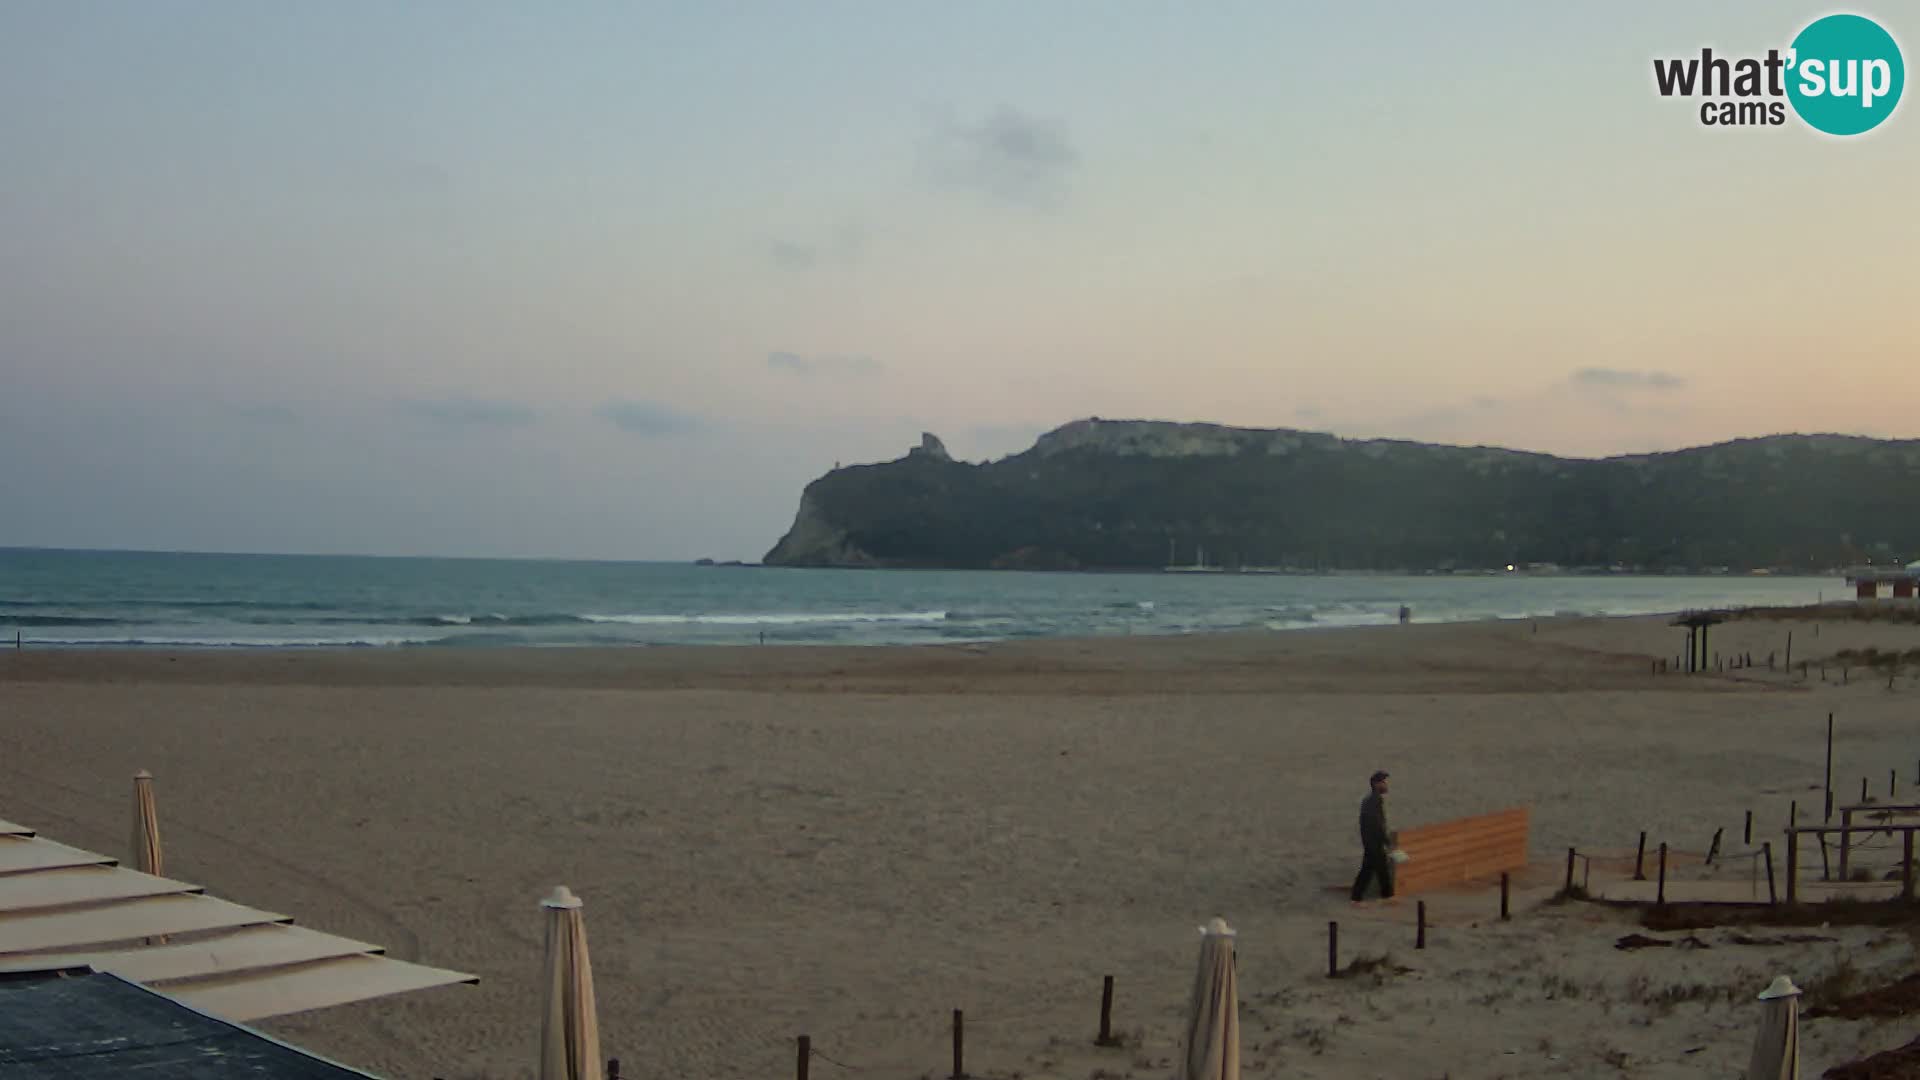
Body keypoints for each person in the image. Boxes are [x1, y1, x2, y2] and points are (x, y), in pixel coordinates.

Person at [1351, 770, 1396, 903]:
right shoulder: (1374, 801)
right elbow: (1376, 824)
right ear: (1376, 784)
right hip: (1373, 842)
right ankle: (1358, 898)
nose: (1386, 785)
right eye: (1383, 782)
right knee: (1377, 871)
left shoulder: (1371, 799)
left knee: (1373, 870)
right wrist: (1386, 841)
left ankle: (1359, 898)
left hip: (1371, 842)